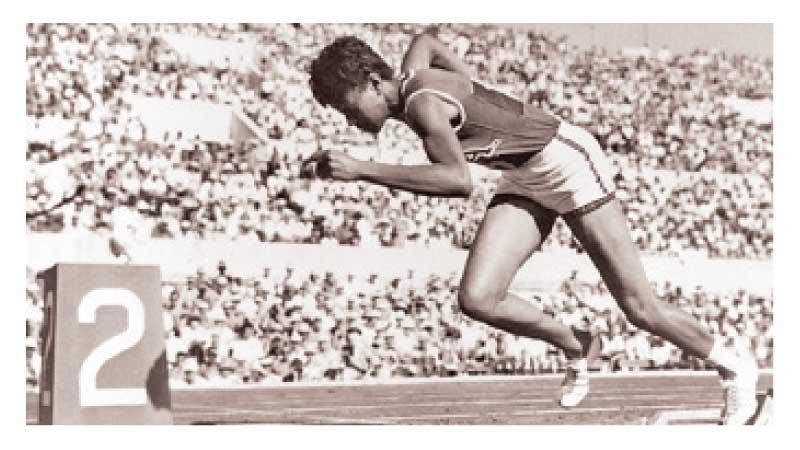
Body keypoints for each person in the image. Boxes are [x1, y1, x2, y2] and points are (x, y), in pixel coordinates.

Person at [307, 32, 758, 424]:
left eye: (347, 107)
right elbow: (426, 41)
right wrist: (480, 95)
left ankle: (735, 367)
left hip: (568, 165)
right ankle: (577, 343)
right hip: (525, 173)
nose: (348, 119)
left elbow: (457, 182)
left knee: (640, 307)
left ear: (372, 82)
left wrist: (362, 169)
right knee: (478, 298)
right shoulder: (410, 79)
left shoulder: (424, 105)